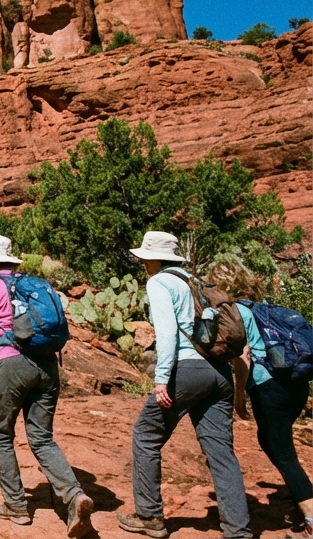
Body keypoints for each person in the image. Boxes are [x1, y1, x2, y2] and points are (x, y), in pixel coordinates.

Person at [0, 234, 95, 537]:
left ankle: (16, 506)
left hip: (10, 365)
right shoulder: (34, 284)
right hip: (47, 366)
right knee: (41, 438)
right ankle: (75, 495)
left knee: (1, 435)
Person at [118, 231, 252, 539]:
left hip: (187, 370)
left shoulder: (160, 282)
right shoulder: (193, 281)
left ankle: (150, 517)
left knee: (146, 434)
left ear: (154, 258)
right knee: (221, 452)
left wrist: (162, 378)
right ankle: (238, 531)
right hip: (219, 373)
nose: (142, 263)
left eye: (144, 258)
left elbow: (167, 335)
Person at [217, 263, 313, 538]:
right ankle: (305, 503)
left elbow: (243, 357)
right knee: (272, 443)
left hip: (268, 389)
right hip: (295, 385)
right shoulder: (264, 309)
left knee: (282, 451)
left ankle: (311, 519)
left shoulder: (235, 312)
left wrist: (239, 396)